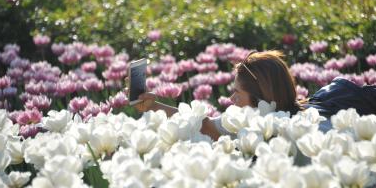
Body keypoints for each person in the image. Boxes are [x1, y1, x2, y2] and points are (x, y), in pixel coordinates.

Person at [126, 50, 304, 141]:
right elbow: (203, 124)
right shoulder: (244, 121)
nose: (231, 99)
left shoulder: (302, 130)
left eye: (237, 93)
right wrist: (152, 106)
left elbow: (206, 127)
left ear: (261, 98)